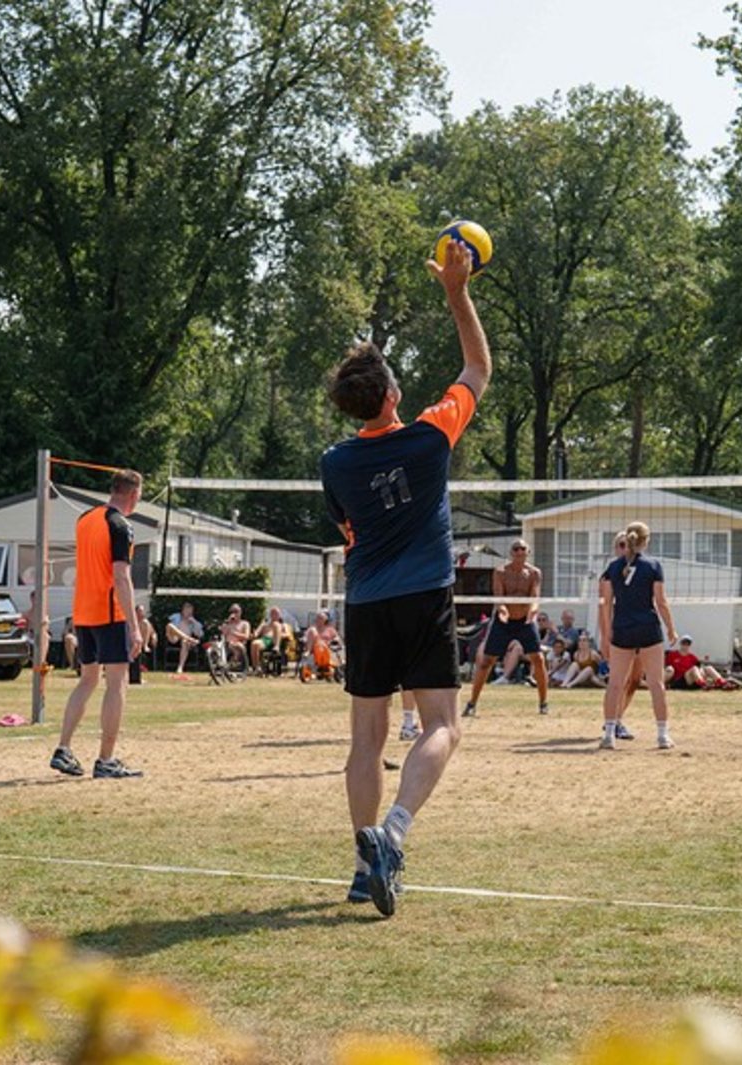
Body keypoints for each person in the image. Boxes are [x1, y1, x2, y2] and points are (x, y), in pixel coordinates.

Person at [318, 237, 488, 917]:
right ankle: (391, 833)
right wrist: (456, 292)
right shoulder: (430, 436)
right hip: (423, 596)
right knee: (443, 723)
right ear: (392, 394)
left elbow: (347, 531)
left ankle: (364, 869)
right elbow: (477, 366)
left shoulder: (335, 462)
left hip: (366, 601)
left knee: (366, 738)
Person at [50, 469, 146, 779]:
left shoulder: (85, 519)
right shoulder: (120, 525)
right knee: (117, 683)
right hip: (109, 613)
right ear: (133, 494)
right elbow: (121, 576)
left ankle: (63, 748)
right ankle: (106, 759)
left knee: (87, 680)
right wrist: (134, 626)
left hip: (83, 612)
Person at [599, 521, 678, 751]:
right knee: (656, 684)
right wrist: (671, 628)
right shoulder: (653, 565)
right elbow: (661, 602)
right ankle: (662, 736)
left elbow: (606, 604)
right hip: (648, 628)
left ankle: (609, 736)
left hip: (622, 629)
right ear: (646, 540)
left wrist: (607, 634)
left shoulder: (613, 567)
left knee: (615, 684)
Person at [463, 539, 550, 717]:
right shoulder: (500, 571)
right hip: (503, 621)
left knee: (538, 659)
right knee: (486, 661)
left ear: (528, 552)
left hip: (525, 620)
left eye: (522, 548)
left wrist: (532, 612)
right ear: (511, 553)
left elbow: (534, 597)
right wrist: (502, 610)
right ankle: (472, 704)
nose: (519, 551)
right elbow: (499, 597)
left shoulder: (534, 573)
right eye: (516, 549)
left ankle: (543, 703)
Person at [665, 636, 740, 691]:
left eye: (687, 644)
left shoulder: (692, 657)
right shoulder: (672, 655)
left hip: (694, 679)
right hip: (681, 680)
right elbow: (667, 669)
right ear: (680, 644)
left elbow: (699, 669)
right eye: (684, 643)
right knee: (694, 668)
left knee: (708, 668)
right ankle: (704, 684)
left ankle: (723, 683)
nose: (685, 645)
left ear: (689, 645)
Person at [251, 607, 295, 674]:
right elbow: (256, 633)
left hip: (275, 641)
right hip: (265, 640)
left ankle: (276, 646)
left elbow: (288, 634)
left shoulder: (283, 625)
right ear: (270, 615)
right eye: (272, 613)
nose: (274, 615)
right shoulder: (264, 624)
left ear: (279, 615)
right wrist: (254, 634)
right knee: (254, 643)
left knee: (276, 624)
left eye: (276, 613)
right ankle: (256, 667)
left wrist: (278, 635)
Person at [165, 602, 204, 674]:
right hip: (174, 638)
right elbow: (169, 627)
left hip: (186, 642)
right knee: (169, 625)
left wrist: (194, 622)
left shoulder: (194, 621)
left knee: (184, 641)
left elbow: (200, 634)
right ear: (182, 610)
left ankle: (180, 667)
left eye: (190, 611)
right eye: (187, 610)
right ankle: (188, 638)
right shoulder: (176, 617)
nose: (188, 612)